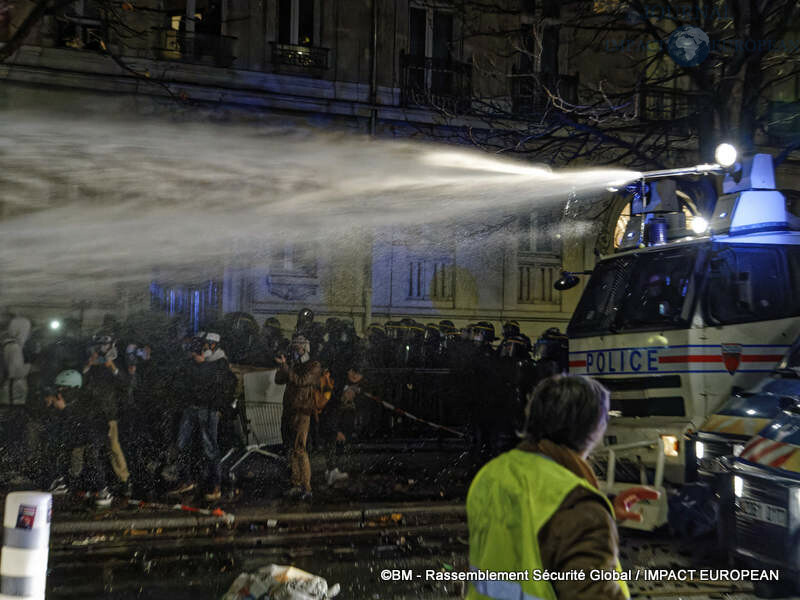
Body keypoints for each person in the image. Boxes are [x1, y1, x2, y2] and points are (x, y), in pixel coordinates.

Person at [466, 375, 658, 600]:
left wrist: (605, 514)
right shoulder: (576, 504)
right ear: (593, 430)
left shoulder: (493, 474)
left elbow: (522, 535)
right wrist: (593, 516)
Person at [83, 334, 132, 505]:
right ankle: (96, 484)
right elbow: (82, 381)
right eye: (100, 345)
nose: (102, 349)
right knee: (92, 449)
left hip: (109, 414)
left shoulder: (117, 362)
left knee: (114, 448)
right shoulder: (92, 362)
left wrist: (112, 367)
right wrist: (89, 364)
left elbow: (126, 383)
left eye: (105, 345)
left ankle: (124, 481)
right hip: (92, 412)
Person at [275, 334, 321, 500]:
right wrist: (284, 366)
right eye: (295, 346)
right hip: (290, 410)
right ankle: (296, 483)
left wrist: (288, 368)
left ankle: (306, 486)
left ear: (306, 347)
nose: (296, 349)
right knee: (291, 449)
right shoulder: (294, 364)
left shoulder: (314, 365)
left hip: (303, 412)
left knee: (300, 449)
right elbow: (278, 380)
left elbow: (302, 381)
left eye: (299, 346)